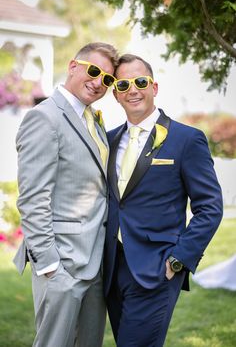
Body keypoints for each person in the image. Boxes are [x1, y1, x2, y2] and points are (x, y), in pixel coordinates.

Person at [104, 54, 223, 347]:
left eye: (140, 81)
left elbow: (210, 207)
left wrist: (178, 260)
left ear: (154, 87)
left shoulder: (186, 139)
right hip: (109, 269)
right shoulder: (107, 140)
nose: (133, 89)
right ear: (116, 94)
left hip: (156, 268)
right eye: (123, 84)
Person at [13, 42, 119, 347]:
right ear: (73, 66)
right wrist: (49, 266)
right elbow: (33, 198)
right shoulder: (45, 117)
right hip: (62, 265)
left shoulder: (93, 119)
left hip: (94, 262)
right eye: (94, 71)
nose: (99, 82)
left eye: (108, 79)